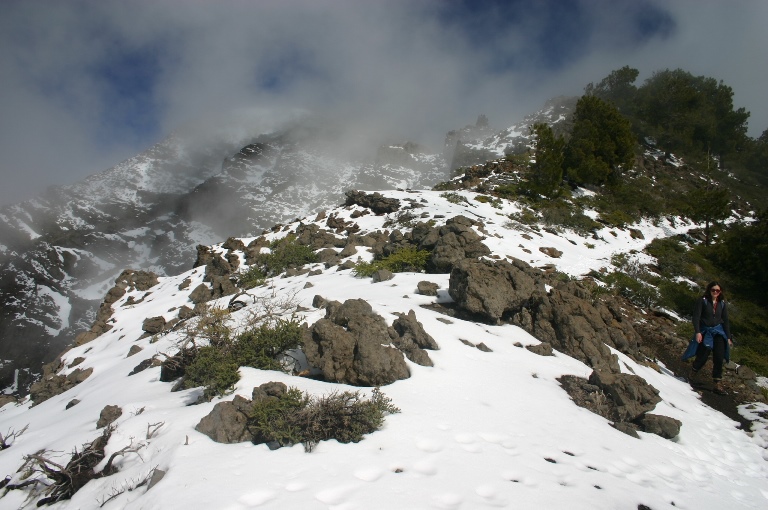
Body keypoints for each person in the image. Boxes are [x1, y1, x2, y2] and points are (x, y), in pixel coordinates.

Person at [682, 281, 732, 394]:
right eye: (713, 290)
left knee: (719, 357)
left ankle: (717, 383)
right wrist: (698, 332)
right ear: (709, 290)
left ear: (720, 292)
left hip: (718, 332)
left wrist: (728, 337)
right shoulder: (702, 301)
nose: (715, 292)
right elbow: (696, 317)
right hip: (706, 331)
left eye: (717, 290)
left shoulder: (722, 303)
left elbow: (726, 321)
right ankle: (692, 374)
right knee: (703, 355)